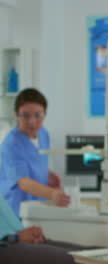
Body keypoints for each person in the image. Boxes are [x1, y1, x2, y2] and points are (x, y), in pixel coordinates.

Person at [0, 88, 70, 217]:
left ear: (45, 114)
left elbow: (32, 162)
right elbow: (23, 182)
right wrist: (52, 194)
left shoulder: (44, 134)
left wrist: (45, 174)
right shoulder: (10, 145)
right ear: (16, 115)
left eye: (38, 115)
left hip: (37, 208)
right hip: (16, 212)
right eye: (26, 115)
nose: (32, 121)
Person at [0, 194, 96, 263]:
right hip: (6, 246)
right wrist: (16, 237)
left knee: (99, 254)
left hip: (15, 239)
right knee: (81, 260)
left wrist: (29, 234)